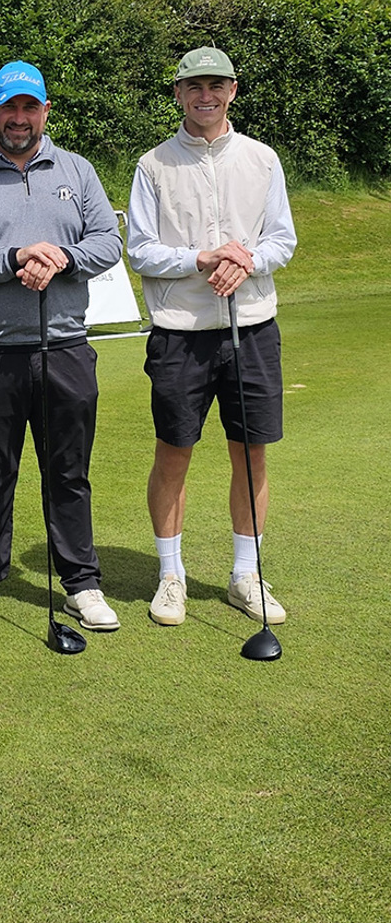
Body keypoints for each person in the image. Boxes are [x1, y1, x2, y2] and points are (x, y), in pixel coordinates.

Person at [0, 61, 123, 636]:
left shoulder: (77, 170)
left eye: (29, 107)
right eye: (9, 107)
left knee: (69, 472)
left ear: (44, 111)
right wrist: (14, 258)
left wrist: (62, 257)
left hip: (64, 346)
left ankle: (81, 584)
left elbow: (108, 241)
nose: (19, 118)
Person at [126, 46, 297, 627]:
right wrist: (201, 258)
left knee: (251, 454)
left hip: (253, 326)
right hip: (181, 333)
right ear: (178, 94)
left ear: (232, 90)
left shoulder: (262, 159)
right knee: (174, 453)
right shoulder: (153, 165)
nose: (206, 96)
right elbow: (141, 249)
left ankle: (245, 575)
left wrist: (246, 260)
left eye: (216, 85)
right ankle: (170, 576)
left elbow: (282, 240)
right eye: (194, 86)